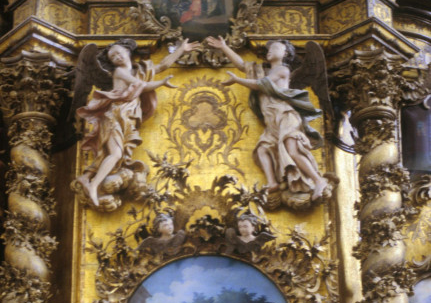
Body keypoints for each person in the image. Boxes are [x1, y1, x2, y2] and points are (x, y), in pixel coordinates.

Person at [75, 38, 199, 207]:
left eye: (118, 53)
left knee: (113, 153)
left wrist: (181, 50)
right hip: (115, 115)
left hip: (126, 117)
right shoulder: (119, 72)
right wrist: (161, 82)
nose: (117, 57)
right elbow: (140, 85)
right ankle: (93, 184)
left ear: (127, 52)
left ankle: (87, 177)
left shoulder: (139, 70)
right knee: (115, 154)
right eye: (112, 57)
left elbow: (162, 66)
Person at [207, 35, 328, 203]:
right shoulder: (262, 70)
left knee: (292, 150)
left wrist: (237, 80)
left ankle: (318, 180)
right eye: (269, 49)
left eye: (275, 48)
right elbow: (242, 65)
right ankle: (272, 182)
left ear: (285, 53)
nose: (270, 51)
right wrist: (223, 47)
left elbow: (261, 84)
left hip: (285, 116)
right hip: (271, 120)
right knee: (263, 149)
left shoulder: (282, 70)